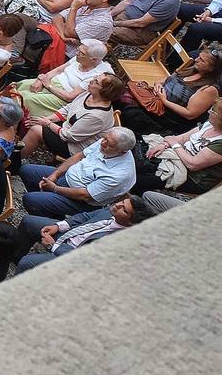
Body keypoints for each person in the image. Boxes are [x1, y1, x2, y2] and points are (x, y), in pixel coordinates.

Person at [16, 194, 155, 273]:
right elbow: (84, 217)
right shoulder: (112, 210)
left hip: (69, 256)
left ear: (131, 223)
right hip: (68, 235)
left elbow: (84, 262)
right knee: (29, 222)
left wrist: (52, 246)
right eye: (122, 202)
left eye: (124, 209)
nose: (118, 205)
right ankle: (9, 257)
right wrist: (58, 226)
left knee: (27, 263)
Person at [20, 128, 138, 218]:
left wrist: (54, 188)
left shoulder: (120, 174)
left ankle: (50, 216)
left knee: (30, 199)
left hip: (79, 201)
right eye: (104, 138)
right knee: (26, 170)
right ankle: (44, 201)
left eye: (109, 144)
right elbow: (80, 156)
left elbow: (85, 194)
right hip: (68, 177)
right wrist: (54, 175)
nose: (103, 143)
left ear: (122, 152)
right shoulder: (108, 141)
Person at [117, 47, 221, 138]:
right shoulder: (191, 69)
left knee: (130, 112)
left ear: (212, 69)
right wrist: (158, 84)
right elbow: (165, 80)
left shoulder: (209, 89)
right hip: (155, 102)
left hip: (169, 118)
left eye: (202, 60)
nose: (196, 60)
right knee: (121, 93)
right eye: (199, 57)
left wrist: (164, 100)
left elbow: (189, 114)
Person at [22, 72, 126, 160]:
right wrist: (47, 119)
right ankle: (18, 145)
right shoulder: (90, 94)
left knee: (35, 130)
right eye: (94, 78)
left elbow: (70, 136)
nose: (91, 81)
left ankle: (14, 161)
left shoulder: (97, 116)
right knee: (35, 119)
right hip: (66, 128)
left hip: (74, 148)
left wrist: (48, 124)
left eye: (96, 82)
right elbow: (69, 108)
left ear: (104, 91)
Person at [134, 98, 222, 193]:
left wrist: (174, 144)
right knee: (141, 157)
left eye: (212, 111)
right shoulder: (210, 124)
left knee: (140, 179)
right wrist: (165, 144)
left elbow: (193, 164)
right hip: (179, 156)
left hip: (193, 178)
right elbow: (183, 138)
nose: (209, 112)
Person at [12, 38, 113, 118]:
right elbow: (58, 70)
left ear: (94, 59)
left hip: (63, 96)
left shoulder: (98, 76)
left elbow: (70, 97)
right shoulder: (79, 58)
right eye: (78, 50)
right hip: (52, 82)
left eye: (81, 53)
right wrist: (40, 80)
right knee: (21, 85)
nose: (77, 54)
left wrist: (48, 85)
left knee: (27, 98)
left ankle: (13, 120)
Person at [52, 0, 117, 56]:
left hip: (67, 55)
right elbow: (56, 18)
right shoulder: (84, 6)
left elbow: (69, 33)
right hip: (56, 40)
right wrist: (63, 36)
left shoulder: (103, 22)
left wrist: (73, 9)